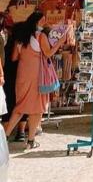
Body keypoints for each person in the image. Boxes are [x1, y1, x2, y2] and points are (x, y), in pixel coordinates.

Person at [3, 12, 69, 150]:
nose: (45, 21)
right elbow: (48, 53)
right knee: (37, 109)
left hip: (22, 76)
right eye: (43, 19)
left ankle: (5, 136)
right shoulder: (40, 36)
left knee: (19, 107)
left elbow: (14, 57)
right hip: (37, 76)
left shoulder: (21, 38)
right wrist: (60, 42)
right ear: (38, 21)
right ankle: (31, 140)